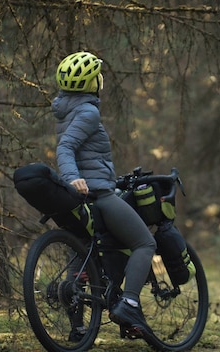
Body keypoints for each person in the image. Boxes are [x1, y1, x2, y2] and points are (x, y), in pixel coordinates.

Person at [52, 51, 157, 340]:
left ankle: (78, 330)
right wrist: (74, 178)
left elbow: (80, 150)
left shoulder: (65, 109)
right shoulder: (88, 111)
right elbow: (66, 149)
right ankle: (131, 305)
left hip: (83, 196)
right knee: (145, 242)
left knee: (82, 256)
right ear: (91, 83)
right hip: (98, 194)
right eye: (98, 77)